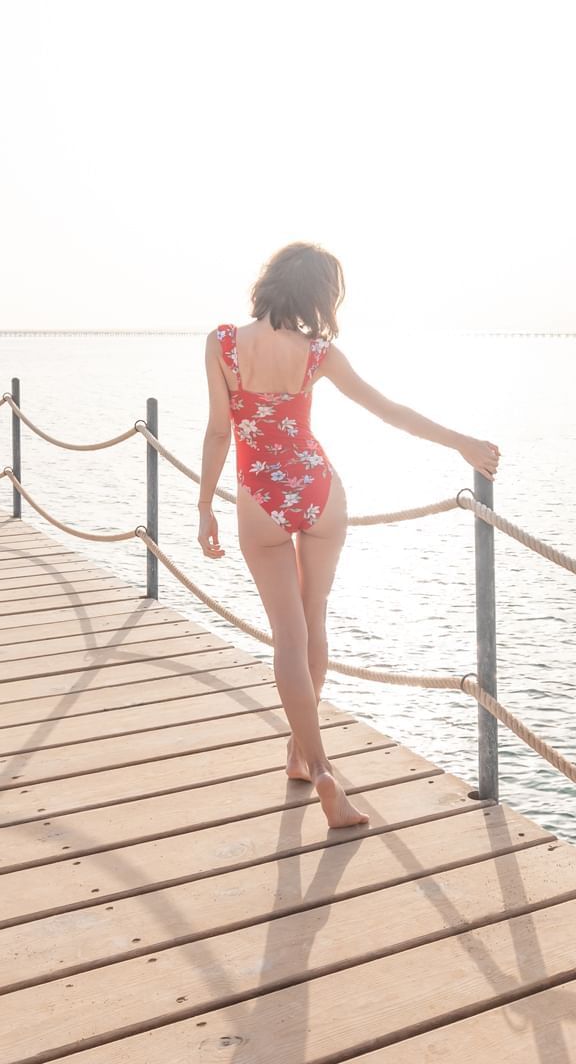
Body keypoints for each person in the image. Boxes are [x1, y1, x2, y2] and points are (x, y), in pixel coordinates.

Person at [197, 242, 500, 828]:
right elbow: (389, 410)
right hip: (318, 491)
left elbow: (217, 432)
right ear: (318, 295)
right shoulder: (317, 353)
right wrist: (462, 442)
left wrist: (205, 505)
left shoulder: (223, 344)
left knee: (287, 636)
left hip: (259, 497)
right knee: (315, 625)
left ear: (269, 283)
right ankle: (300, 758)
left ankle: (319, 766)